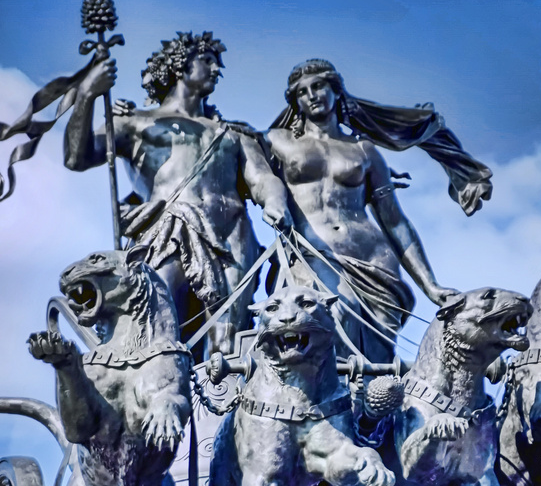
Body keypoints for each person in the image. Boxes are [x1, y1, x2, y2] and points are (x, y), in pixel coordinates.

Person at [64, 32, 290, 352]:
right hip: (167, 228)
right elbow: (77, 157)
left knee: (227, 340)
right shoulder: (135, 122)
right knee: (157, 329)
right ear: (181, 65)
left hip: (232, 234)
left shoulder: (234, 133)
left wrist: (275, 202)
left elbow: (262, 178)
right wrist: (87, 95)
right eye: (208, 61)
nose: (216, 70)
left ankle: (225, 398)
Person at [263, 59, 493, 363]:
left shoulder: (363, 149)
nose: (311, 95)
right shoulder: (276, 141)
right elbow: (248, 176)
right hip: (313, 252)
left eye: (318, 86)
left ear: (336, 90)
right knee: (333, 319)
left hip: (374, 258)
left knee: (380, 358)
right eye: (302, 92)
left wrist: (431, 286)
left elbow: (395, 221)